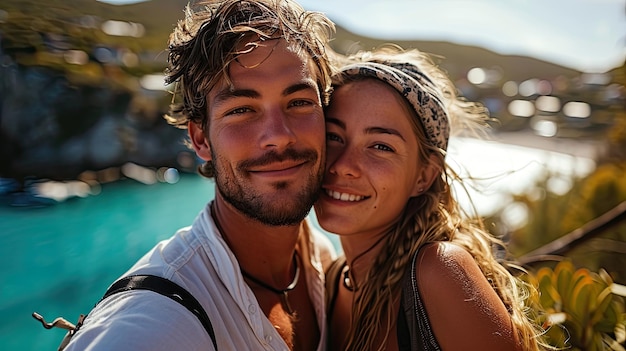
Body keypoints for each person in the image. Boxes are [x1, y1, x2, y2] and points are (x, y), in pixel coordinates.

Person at [64, 1, 337, 350]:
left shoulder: (320, 259)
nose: (278, 135)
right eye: (241, 109)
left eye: (299, 102)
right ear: (201, 139)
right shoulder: (153, 323)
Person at [315, 46, 545, 351]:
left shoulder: (439, 271)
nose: (343, 165)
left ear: (424, 176)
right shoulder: (332, 281)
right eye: (333, 136)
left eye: (381, 147)